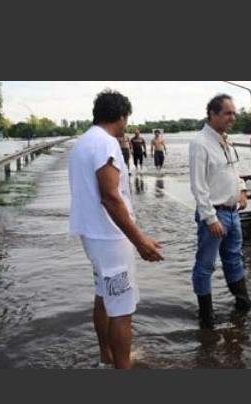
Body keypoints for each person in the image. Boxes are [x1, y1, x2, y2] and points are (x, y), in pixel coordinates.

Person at [68, 89, 164, 369]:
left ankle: (105, 358)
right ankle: (122, 367)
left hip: (93, 236)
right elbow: (110, 197)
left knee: (104, 295)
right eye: (126, 119)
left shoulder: (83, 142)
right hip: (110, 239)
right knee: (122, 309)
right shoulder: (107, 144)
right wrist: (139, 240)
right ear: (121, 117)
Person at [188, 94, 251, 328]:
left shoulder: (226, 140)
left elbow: (234, 170)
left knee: (234, 259)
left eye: (234, 113)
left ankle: (243, 302)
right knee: (205, 265)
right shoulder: (200, 143)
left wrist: (242, 190)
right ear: (212, 114)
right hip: (214, 214)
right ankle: (206, 316)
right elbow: (198, 186)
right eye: (227, 113)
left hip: (232, 212)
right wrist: (210, 218)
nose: (232, 117)